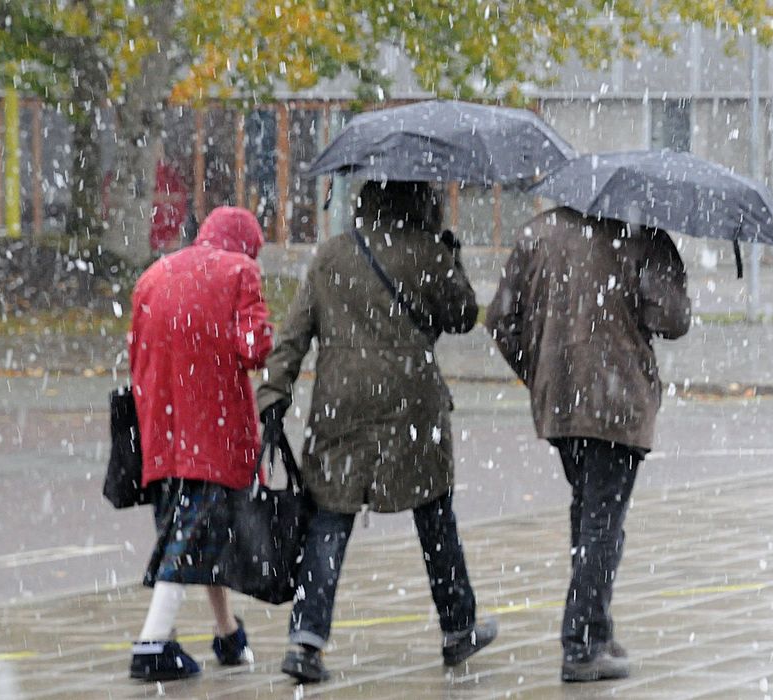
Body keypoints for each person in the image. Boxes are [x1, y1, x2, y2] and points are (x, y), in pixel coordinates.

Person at [257, 180, 497, 684]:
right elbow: (462, 317)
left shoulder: (332, 255)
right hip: (412, 403)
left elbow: (295, 332)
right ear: (421, 202)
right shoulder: (426, 252)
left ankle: (306, 639)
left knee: (329, 518)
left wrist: (274, 393)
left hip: (341, 402)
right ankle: (458, 627)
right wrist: (450, 257)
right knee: (434, 514)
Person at [485, 207, 691, 682]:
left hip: (562, 399)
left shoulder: (539, 231)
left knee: (589, 514)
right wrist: (664, 265)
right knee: (602, 522)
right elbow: (673, 318)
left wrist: (539, 371)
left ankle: (595, 627)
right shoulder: (639, 235)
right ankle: (581, 643)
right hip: (617, 398)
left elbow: (500, 318)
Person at [127, 206, 272, 681]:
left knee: (200, 532)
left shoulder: (154, 275)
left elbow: (136, 353)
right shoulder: (240, 272)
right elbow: (254, 349)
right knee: (187, 539)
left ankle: (227, 632)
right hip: (213, 429)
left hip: (162, 426)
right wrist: (265, 331)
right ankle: (152, 644)